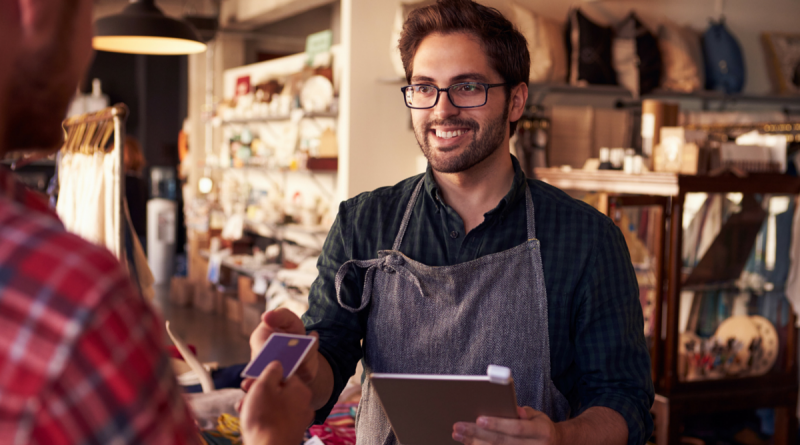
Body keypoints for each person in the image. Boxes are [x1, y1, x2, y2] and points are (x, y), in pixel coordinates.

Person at [248, 1, 654, 445]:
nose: (441, 109)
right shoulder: (363, 222)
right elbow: (330, 357)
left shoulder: (588, 240)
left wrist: (561, 437)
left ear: (516, 100)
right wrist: (304, 365)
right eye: (424, 88)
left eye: (467, 86)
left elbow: (624, 402)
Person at [0, 0, 310, 443]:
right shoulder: (71, 293)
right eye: (83, 16)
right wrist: (270, 434)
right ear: (35, 11)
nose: (86, 49)